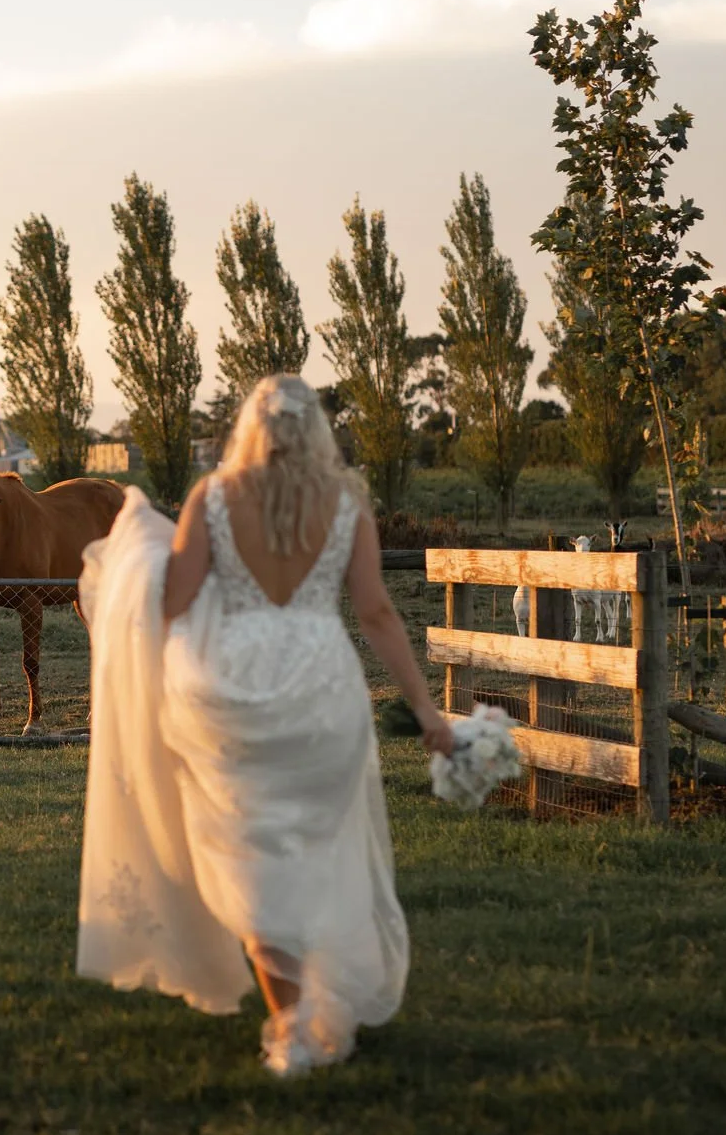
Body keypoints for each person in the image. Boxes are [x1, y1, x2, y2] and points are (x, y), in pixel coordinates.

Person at [75, 373, 454, 1074]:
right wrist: (426, 709)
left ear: (247, 427)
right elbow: (376, 613)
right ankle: (316, 1009)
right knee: (320, 853)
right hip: (322, 692)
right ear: (317, 432)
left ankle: (291, 1021)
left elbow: (173, 601)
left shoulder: (212, 498)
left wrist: (136, 568)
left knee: (248, 858)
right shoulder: (347, 504)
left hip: (232, 697)